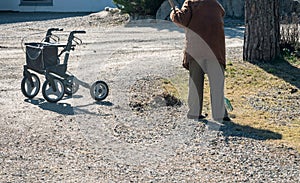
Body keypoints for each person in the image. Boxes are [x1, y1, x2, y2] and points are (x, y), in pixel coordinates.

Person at [170, 0, 230, 122]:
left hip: (196, 50)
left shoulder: (191, 3)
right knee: (217, 83)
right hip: (215, 50)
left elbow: (181, 20)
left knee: (195, 83)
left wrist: (174, 12)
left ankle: (194, 112)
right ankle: (220, 114)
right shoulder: (216, 5)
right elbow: (222, 14)